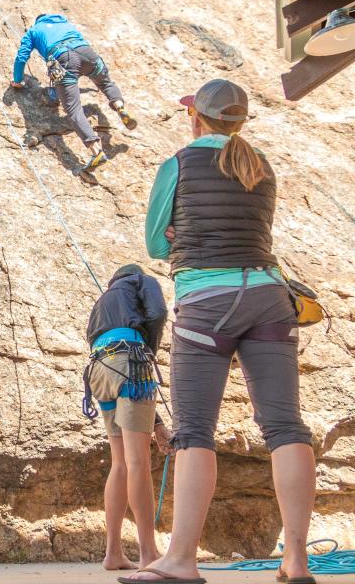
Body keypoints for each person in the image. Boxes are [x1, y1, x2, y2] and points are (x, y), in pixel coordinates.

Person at [123, 79, 315, 584]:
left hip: (207, 302)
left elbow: (156, 245)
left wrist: (177, 237)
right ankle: (296, 560)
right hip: (270, 298)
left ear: (197, 118)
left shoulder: (180, 164)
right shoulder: (261, 166)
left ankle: (182, 560)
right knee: (285, 427)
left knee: (193, 433)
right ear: (239, 121)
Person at [83, 264, 172, 572]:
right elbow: (159, 312)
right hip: (131, 363)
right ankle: (149, 554)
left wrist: (157, 425)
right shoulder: (141, 280)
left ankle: (113, 553)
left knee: (120, 462)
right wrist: (149, 350)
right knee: (138, 463)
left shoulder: (101, 303)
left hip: (99, 371)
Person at [9, 14, 137, 172]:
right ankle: (119, 106)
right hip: (87, 53)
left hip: (64, 58)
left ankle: (96, 151)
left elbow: (22, 57)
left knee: (73, 109)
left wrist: (17, 79)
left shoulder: (33, 31)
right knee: (105, 83)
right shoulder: (64, 22)